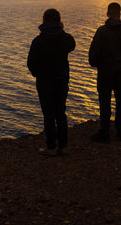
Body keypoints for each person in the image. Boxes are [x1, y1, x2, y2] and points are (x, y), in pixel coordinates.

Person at [27, 9, 76, 156]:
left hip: (44, 83)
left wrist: (38, 74)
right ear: (58, 20)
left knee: (48, 115)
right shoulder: (66, 38)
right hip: (61, 81)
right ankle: (63, 146)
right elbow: (72, 46)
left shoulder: (38, 41)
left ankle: (51, 147)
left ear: (44, 20)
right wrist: (61, 29)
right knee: (61, 113)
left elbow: (31, 63)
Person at [88, 2, 121, 142]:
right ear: (120, 13)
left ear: (107, 13)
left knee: (105, 102)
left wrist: (95, 63)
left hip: (105, 72)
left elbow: (93, 54)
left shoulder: (101, 31)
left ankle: (104, 132)